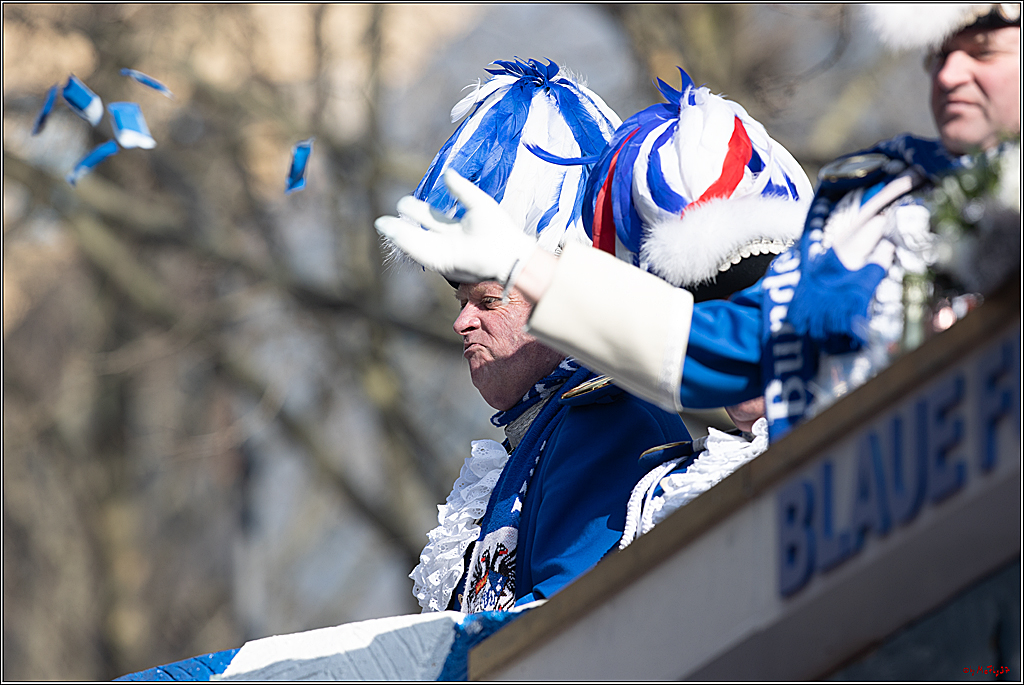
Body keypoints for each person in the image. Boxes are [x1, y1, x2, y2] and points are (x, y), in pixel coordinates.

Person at [376, 4, 1020, 447]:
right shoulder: (877, 211)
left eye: (984, 50)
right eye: (938, 54)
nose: (949, 74)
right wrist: (523, 268)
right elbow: (726, 352)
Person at [396, 58, 693, 614]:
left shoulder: (605, 421)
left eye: (488, 301)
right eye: (461, 303)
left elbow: (561, 623)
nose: (462, 322)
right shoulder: (540, 434)